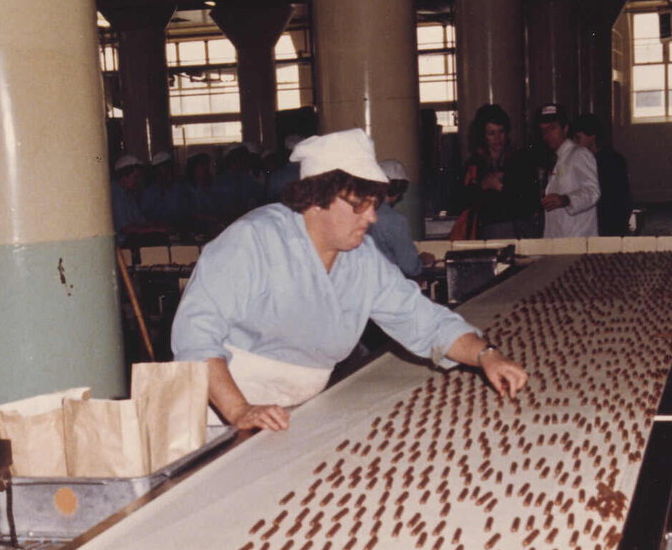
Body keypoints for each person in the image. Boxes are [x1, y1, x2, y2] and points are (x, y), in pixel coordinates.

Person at [171, 128, 527, 431]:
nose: (371, 218)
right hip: (220, 416)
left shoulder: (361, 259)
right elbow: (194, 334)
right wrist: (238, 410)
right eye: (360, 205)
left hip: (293, 415)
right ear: (317, 199)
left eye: (374, 204)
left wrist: (485, 355)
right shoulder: (253, 240)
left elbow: (420, 318)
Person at [452, 103, 541, 239]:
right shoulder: (475, 164)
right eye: (491, 133)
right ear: (482, 136)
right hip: (486, 234)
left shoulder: (521, 160)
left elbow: (530, 203)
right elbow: (460, 202)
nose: (498, 138)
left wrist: (500, 187)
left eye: (501, 132)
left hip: (519, 232)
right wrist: (482, 186)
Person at [536, 103, 600, 238]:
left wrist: (566, 200)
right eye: (543, 130)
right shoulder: (553, 158)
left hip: (578, 237)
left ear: (565, 129)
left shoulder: (579, 154)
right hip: (557, 236)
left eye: (552, 128)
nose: (548, 135)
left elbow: (593, 192)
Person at [366, 158, 436, 280]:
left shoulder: (360, 212)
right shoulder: (395, 220)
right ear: (399, 190)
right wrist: (422, 260)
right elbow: (410, 267)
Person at [570, 113, 633, 237]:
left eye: (578, 138)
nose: (575, 144)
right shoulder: (579, 160)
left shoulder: (612, 161)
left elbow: (618, 201)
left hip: (608, 225)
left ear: (592, 137)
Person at [110, 154, 169, 239]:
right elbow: (125, 229)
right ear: (123, 177)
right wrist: (154, 229)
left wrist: (159, 225)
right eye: (135, 177)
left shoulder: (129, 194)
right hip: (122, 244)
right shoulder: (115, 194)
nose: (138, 181)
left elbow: (140, 220)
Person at [139, 150, 192, 232]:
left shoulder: (180, 189)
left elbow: (186, 212)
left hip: (180, 228)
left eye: (168, 172)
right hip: (157, 231)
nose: (166, 176)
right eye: (160, 173)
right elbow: (144, 217)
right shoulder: (150, 192)